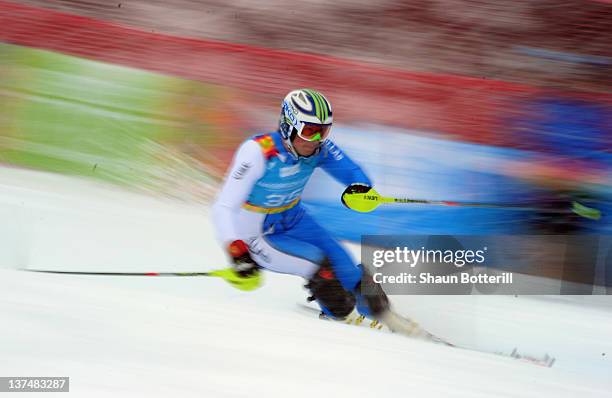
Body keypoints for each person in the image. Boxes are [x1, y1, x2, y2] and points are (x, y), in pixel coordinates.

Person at [211, 89, 390, 321]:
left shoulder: (320, 149)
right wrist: (237, 251)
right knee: (320, 267)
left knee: (350, 272)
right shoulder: (258, 152)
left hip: (294, 219)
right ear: (288, 126)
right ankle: (338, 316)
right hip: (257, 234)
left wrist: (360, 188)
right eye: (309, 131)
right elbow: (222, 207)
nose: (316, 140)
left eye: (323, 131)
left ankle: (384, 317)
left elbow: (352, 171)